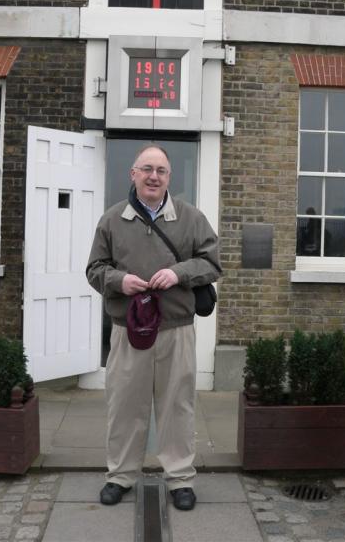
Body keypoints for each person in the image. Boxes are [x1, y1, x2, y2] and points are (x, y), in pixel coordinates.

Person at [86, 144, 221, 511]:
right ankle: (120, 476)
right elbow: (94, 270)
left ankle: (179, 478)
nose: (153, 176)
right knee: (125, 405)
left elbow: (212, 263)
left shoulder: (191, 218)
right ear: (133, 174)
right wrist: (119, 281)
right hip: (128, 331)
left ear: (169, 177)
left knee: (177, 406)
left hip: (176, 330)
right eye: (146, 169)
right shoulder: (112, 220)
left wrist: (178, 273)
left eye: (161, 171)